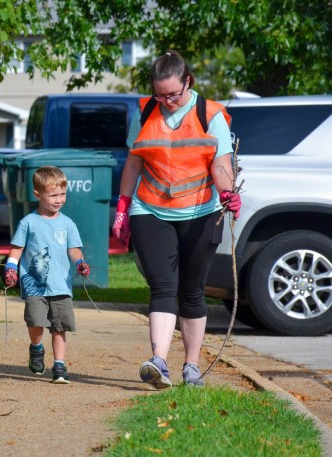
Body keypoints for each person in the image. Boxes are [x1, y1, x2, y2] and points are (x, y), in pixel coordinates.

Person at [113, 50, 241, 389]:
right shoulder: (145, 111)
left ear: (188, 82)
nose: (167, 100)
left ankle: (191, 367)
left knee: (192, 291)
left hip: (200, 212)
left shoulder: (209, 114)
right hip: (150, 208)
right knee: (162, 286)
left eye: (174, 93)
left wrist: (227, 193)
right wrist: (123, 207)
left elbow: (220, 163)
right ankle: (159, 361)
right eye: (160, 94)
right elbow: (134, 163)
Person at [3, 166, 90, 384]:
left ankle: (59, 365)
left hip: (60, 285)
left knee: (60, 326)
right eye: (53, 195)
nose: (59, 199)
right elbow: (16, 249)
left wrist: (79, 262)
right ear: (38, 194)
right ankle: (36, 348)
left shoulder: (68, 223)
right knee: (35, 321)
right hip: (34, 285)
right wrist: (11, 267)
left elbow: (73, 249)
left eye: (62, 194)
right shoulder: (28, 223)